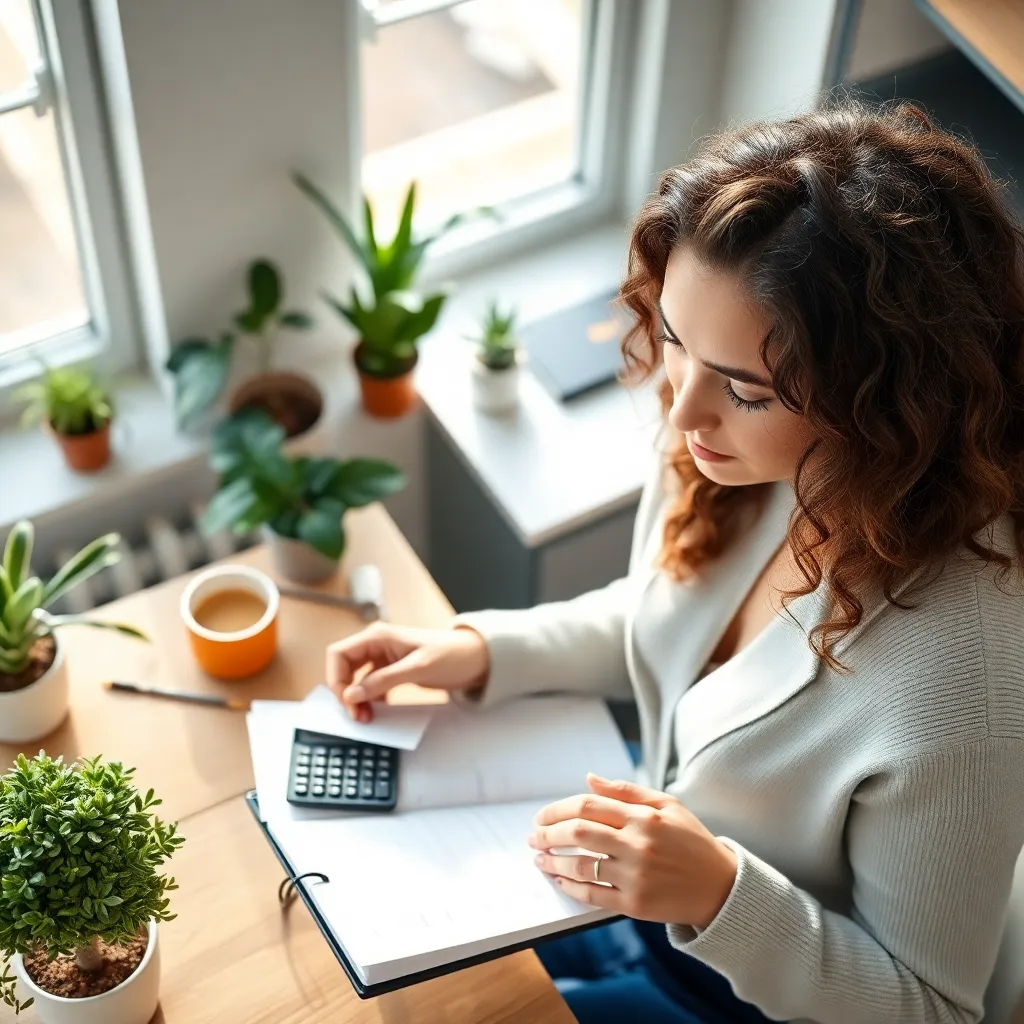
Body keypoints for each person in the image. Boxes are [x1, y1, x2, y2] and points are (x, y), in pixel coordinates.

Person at [325, 100, 1024, 1024]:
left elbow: (930, 1009)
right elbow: (666, 623)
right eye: (676, 340)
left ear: (886, 401)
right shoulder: (745, 451)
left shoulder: (964, 682)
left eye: (744, 389)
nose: (682, 410)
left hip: (746, 992)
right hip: (639, 888)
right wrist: (484, 651)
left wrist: (722, 895)